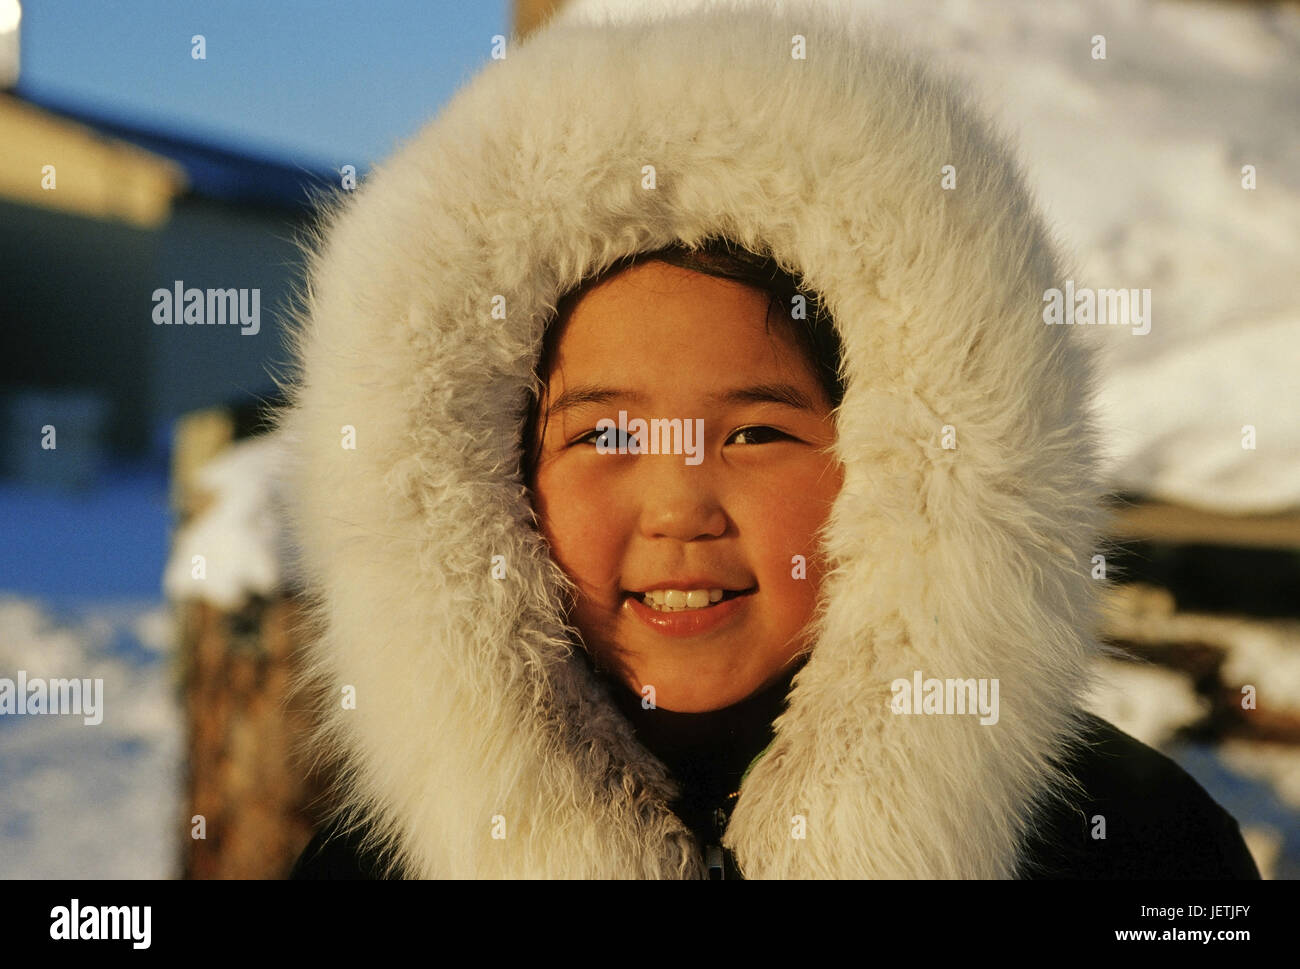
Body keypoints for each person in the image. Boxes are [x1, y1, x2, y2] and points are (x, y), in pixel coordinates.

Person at [282, 0, 1259, 879]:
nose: (677, 509)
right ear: (495, 484)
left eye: (752, 433)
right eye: (609, 434)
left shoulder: (1136, 844)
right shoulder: (375, 866)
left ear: (901, 472)